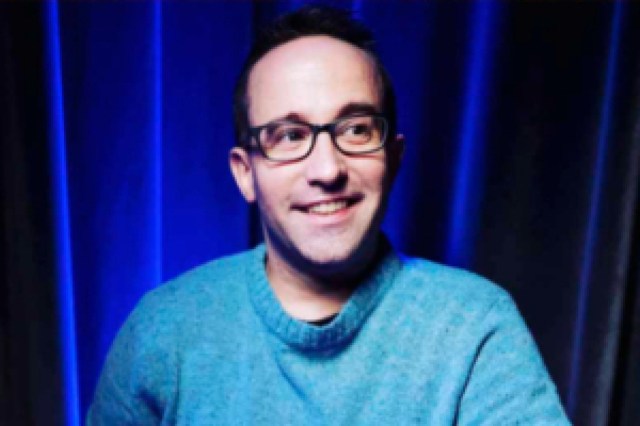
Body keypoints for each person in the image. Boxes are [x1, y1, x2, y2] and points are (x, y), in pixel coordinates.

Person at [88, 6, 570, 424]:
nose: (327, 170)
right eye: (289, 136)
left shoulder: (475, 326)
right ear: (245, 173)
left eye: (356, 129)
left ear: (393, 158)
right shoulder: (163, 330)